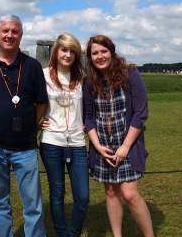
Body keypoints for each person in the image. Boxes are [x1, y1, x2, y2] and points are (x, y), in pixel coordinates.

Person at [0, 14, 48, 237]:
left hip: (25, 146)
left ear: (21, 36)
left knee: (32, 203)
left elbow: (41, 102)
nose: (9, 35)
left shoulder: (31, 66)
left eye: (14, 31)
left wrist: (29, 124)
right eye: (5, 31)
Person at [83, 35, 154, 237]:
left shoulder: (130, 75)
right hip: (103, 146)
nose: (100, 56)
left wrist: (125, 147)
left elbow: (140, 113)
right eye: (95, 53)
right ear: (90, 57)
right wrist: (97, 146)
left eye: (103, 51)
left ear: (112, 52)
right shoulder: (89, 81)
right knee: (111, 192)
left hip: (128, 145)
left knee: (130, 194)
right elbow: (88, 117)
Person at [39, 34, 89, 237]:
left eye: (72, 51)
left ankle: (73, 233)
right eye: (64, 50)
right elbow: (30, 102)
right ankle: (61, 233)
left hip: (77, 141)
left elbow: (90, 107)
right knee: (57, 194)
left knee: (83, 197)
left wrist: (89, 123)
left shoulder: (82, 77)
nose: (68, 55)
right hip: (51, 141)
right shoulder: (42, 75)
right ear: (56, 51)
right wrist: (36, 121)